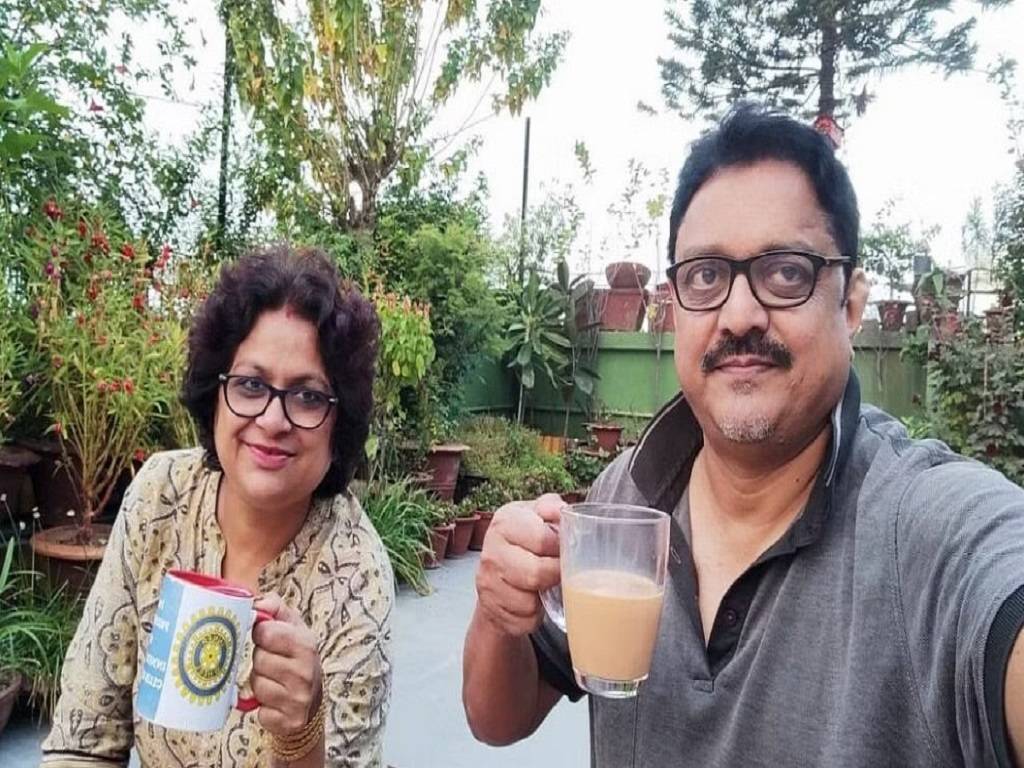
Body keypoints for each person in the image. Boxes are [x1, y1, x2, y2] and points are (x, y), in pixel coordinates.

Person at [463, 104, 1024, 767]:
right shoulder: (628, 494)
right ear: (676, 306)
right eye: (705, 275)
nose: (738, 314)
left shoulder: (932, 532)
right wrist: (502, 612)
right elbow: (496, 720)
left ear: (849, 301)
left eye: (785, 272)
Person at [43, 245, 393, 767]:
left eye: (307, 396)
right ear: (216, 393)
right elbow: (82, 739)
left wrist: (303, 732)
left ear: (339, 426)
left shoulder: (355, 579)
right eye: (251, 385)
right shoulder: (161, 496)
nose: (273, 420)